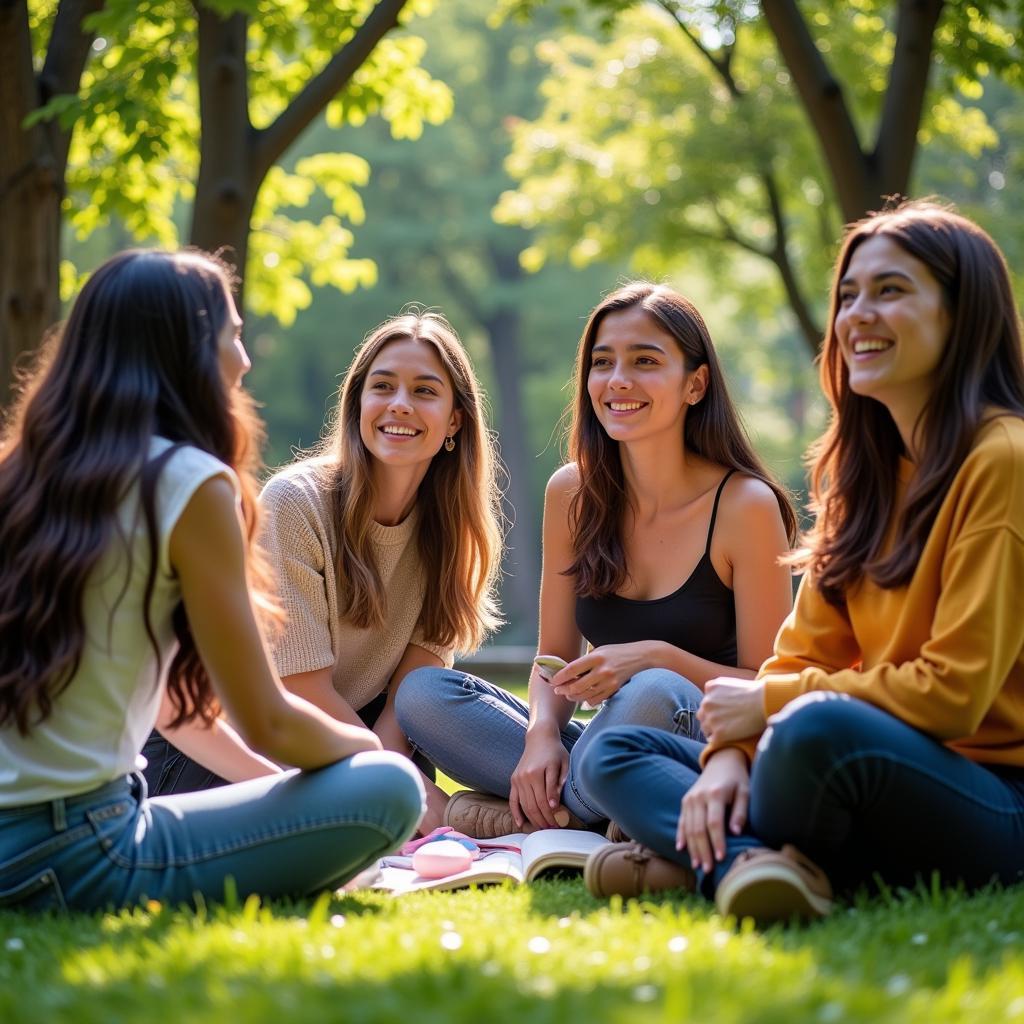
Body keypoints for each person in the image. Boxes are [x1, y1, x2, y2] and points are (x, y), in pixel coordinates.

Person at [580, 200, 1024, 924]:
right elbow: (798, 657)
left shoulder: (1002, 460)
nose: (857, 316)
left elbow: (954, 695)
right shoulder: (862, 472)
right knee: (614, 753)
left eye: (890, 290)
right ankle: (747, 864)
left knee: (813, 733)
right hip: (841, 754)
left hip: (992, 790)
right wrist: (729, 752)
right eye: (848, 295)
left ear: (961, 313)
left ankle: (698, 861)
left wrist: (768, 710)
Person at [0, 250, 424, 912]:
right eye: (232, 334)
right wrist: (366, 753)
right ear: (186, 351)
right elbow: (269, 720)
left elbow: (174, 705)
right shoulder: (187, 482)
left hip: (25, 839)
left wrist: (278, 801)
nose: (245, 359)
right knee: (391, 787)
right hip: (78, 848)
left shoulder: (22, 475)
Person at [396, 283, 797, 837]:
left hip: (697, 736)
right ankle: (594, 809)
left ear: (695, 384)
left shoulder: (744, 505)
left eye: (645, 361)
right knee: (422, 693)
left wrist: (657, 657)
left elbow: (765, 688)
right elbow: (553, 659)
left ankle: (530, 816)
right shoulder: (572, 493)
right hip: (600, 736)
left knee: (652, 690)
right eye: (602, 362)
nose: (617, 381)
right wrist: (539, 738)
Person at [144, 307, 504, 839]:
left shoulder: (453, 525)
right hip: (231, 747)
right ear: (357, 402)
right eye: (382, 387)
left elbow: (422, 669)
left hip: (360, 736)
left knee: (434, 707)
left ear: (455, 420)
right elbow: (298, 688)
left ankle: (498, 806)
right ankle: (457, 813)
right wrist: (395, 779)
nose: (400, 405)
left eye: (425, 391)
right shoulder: (298, 502)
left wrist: (395, 763)